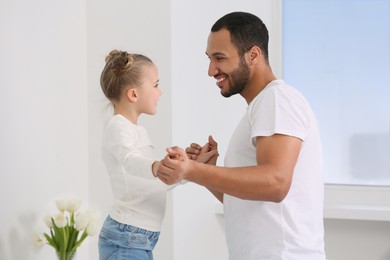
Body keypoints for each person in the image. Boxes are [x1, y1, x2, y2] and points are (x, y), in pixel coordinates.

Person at [157, 12, 326, 260]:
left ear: (253, 55)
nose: (211, 70)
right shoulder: (262, 106)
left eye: (220, 58)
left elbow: (275, 183)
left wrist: (190, 170)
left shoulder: (277, 100)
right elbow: (244, 203)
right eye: (209, 58)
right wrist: (204, 173)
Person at [97, 50, 218, 260]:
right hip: (126, 239)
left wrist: (188, 167)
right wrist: (155, 166)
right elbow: (129, 161)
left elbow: (152, 184)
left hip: (137, 239)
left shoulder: (136, 130)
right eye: (155, 85)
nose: (160, 92)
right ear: (133, 94)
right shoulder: (117, 126)